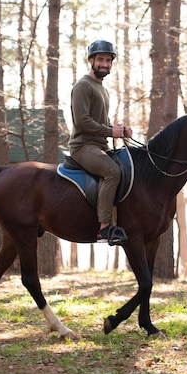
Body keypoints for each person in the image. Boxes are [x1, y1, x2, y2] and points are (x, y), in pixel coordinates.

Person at [69, 39, 133, 245]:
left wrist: (119, 130)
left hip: (100, 145)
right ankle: (104, 229)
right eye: (100, 60)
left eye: (108, 60)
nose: (105, 64)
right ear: (91, 60)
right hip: (83, 146)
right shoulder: (82, 86)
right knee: (112, 171)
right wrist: (110, 131)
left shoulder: (103, 89)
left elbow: (102, 122)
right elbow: (83, 121)